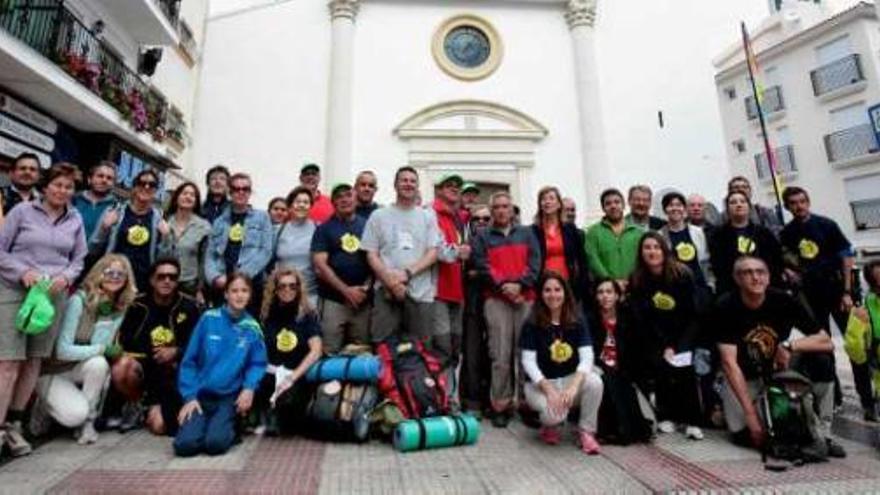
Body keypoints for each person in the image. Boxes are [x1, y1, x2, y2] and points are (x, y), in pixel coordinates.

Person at [716, 256, 845, 457]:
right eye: (747, 273)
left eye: (760, 272)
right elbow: (729, 363)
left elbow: (826, 341)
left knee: (822, 359)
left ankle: (824, 435)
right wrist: (750, 415)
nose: (755, 277)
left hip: (778, 372)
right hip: (744, 376)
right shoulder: (726, 306)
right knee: (746, 434)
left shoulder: (783, 300)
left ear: (768, 277)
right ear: (736, 278)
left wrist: (789, 345)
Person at [0, 162, 86, 457]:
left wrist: (66, 277)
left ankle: (15, 424)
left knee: (33, 360)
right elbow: (1, 250)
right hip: (16, 290)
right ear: (45, 186)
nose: (62, 191)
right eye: (57, 184)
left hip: (52, 295)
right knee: (8, 361)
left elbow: (79, 258)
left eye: (68, 186)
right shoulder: (21, 212)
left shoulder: (74, 219)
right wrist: (23, 271)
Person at [780, 186, 868, 418]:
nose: (799, 206)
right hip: (810, 296)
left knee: (855, 346)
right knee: (823, 348)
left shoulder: (826, 224)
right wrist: (789, 271)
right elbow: (784, 259)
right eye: (793, 203)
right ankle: (834, 398)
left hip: (838, 292)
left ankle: (867, 399)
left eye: (802, 201)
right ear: (787, 207)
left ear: (808, 202)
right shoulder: (787, 233)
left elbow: (846, 257)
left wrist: (847, 292)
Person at [35, 254, 136, 444]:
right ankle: (43, 404)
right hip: (55, 369)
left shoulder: (119, 306)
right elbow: (62, 350)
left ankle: (88, 423)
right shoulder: (78, 300)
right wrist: (102, 348)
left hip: (80, 368)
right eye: (109, 272)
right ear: (99, 273)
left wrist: (107, 333)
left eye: (120, 274)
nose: (114, 277)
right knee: (74, 416)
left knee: (99, 365)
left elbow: (102, 351)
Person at [174, 273, 267, 457]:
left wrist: (249, 388)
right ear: (226, 294)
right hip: (201, 395)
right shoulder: (209, 319)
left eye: (244, 291)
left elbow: (257, 363)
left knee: (215, 444)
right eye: (234, 291)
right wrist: (189, 396)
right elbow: (189, 361)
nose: (239, 295)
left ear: (250, 295)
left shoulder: (252, 327)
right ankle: (204, 427)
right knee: (185, 446)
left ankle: (231, 427)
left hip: (228, 397)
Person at [472, 191, 540, 427]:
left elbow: (535, 264)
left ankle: (526, 403)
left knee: (525, 355)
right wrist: (504, 286)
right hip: (496, 300)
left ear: (512, 210)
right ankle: (500, 404)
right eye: (497, 207)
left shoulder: (527, 233)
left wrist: (520, 285)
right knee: (500, 356)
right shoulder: (482, 237)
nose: (501, 210)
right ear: (492, 212)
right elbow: (482, 266)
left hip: (525, 299)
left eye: (505, 206)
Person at [112, 258, 201, 436]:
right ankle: (135, 404)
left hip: (175, 375)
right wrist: (153, 354)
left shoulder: (190, 307)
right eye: (161, 277)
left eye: (172, 277)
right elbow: (126, 342)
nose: (167, 281)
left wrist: (176, 351)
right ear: (152, 280)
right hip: (144, 369)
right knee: (122, 367)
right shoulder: (137, 306)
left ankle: (151, 411)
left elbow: (199, 345)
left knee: (160, 427)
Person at [629, 232, 704, 440]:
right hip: (655, 337)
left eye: (656, 247)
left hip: (684, 333)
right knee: (660, 364)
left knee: (683, 368)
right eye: (647, 248)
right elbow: (643, 318)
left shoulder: (682, 275)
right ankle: (665, 415)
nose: (652, 252)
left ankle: (693, 420)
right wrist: (664, 346)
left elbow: (692, 315)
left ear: (664, 250)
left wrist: (677, 345)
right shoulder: (637, 280)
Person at [520, 272, 604, 454]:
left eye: (557, 290)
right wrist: (549, 390)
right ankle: (549, 427)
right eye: (547, 290)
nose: (553, 295)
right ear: (541, 294)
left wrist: (574, 387)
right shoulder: (532, 322)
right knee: (555, 416)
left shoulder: (577, 319)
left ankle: (586, 432)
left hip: (568, 379)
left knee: (595, 382)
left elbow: (587, 356)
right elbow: (528, 362)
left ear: (565, 292)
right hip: (541, 384)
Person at [361, 166, 440, 343]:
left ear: (418, 186)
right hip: (386, 294)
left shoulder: (428, 217)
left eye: (412, 181)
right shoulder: (378, 216)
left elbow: (433, 252)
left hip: (420, 294)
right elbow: (371, 253)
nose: (408, 184)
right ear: (395, 185)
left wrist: (407, 273)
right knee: (384, 349)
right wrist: (390, 281)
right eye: (404, 180)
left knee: (421, 352)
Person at [255, 268, 321, 435]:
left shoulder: (307, 314)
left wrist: (292, 377)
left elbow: (316, 350)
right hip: (269, 374)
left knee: (288, 414)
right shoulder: (266, 313)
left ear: (299, 288)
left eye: (292, 286)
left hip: (295, 376)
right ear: (275, 289)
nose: (287, 290)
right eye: (282, 286)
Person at [589, 279, 652, 445]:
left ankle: (626, 429)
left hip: (623, 368)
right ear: (595, 297)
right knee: (608, 381)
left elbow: (637, 349)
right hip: (599, 368)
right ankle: (614, 429)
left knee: (623, 386)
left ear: (617, 295)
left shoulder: (628, 317)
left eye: (609, 292)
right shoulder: (590, 319)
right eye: (600, 292)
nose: (605, 296)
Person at [312, 183, 371, 354]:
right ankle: (331, 382)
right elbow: (320, 265)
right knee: (330, 349)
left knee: (362, 351)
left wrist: (364, 289)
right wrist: (346, 291)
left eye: (348, 195)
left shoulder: (368, 225)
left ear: (355, 198)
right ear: (333, 202)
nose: (344, 199)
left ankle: (358, 383)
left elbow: (376, 258)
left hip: (363, 301)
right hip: (333, 300)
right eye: (339, 197)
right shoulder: (323, 229)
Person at [91, 169, 171, 292]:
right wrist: (104, 228)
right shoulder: (114, 211)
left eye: (152, 184)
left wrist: (166, 237)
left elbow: (163, 260)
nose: (146, 187)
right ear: (134, 187)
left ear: (156, 190)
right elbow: (93, 248)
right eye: (142, 183)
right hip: (111, 280)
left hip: (141, 285)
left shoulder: (159, 220)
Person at [204, 173, 274, 306]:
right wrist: (214, 277)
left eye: (245, 189)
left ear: (250, 192)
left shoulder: (262, 218)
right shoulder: (219, 222)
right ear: (230, 192)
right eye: (236, 189)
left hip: (251, 285)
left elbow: (266, 251)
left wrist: (241, 277)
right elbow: (210, 254)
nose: (241, 192)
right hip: (223, 285)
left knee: (248, 325)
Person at [432, 174, 470, 406]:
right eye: (449, 186)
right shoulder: (430, 213)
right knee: (441, 347)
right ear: (439, 190)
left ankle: (450, 397)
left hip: (457, 292)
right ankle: (437, 397)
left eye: (457, 187)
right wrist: (457, 251)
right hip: (437, 291)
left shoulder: (459, 218)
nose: (454, 190)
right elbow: (434, 248)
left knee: (455, 348)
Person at [709, 191, 783, 295]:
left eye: (742, 201)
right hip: (733, 290)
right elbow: (718, 267)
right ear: (727, 209)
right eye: (733, 202)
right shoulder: (718, 236)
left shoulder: (763, 233)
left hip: (765, 288)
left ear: (749, 207)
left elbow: (777, 260)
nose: (738, 205)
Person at [531, 186, 590, 302]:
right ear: (540, 205)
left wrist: (583, 284)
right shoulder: (533, 231)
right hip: (544, 285)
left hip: (569, 283)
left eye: (551, 198)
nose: (547, 202)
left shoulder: (570, 229)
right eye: (543, 199)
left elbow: (581, 259)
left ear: (559, 204)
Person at [461, 205, 492, 416]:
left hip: (496, 302)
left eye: (485, 218)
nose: (481, 222)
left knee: (494, 354)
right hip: (471, 304)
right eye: (476, 219)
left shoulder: (499, 241)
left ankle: (491, 399)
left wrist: (478, 272)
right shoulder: (464, 244)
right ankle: (471, 401)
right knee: (471, 352)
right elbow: (464, 273)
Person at [585, 188, 642, 288]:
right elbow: (593, 259)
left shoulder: (637, 232)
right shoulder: (593, 232)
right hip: (605, 289)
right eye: (608, 203)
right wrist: (611, 282)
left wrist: (631, 280)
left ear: (623, 205)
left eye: (617, 202)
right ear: (603, 208)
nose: (613, 206)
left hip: (634, 285)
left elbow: (641, 259)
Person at [166, 182, 212, 301]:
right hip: (163, 280)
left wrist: (200, 289)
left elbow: (204, 260)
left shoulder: (204, 227)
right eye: (184, 193)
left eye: (192, 195)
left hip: (188, 284)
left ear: (196, 201)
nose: (188, 197)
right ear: (176, 197)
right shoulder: (164, 221)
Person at [274, 187, 318, 306]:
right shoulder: (278, 230)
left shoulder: (318, 229)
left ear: (311, 206)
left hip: (310, 295)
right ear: (290, 205)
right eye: (298, 202)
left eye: (306, 202)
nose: (302, 205)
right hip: (283, 294)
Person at [659, 192, 712, 290]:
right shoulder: (660, 235)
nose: (675, 208)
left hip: (699, 286)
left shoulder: (698, 232)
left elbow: (705, 260)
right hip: (673, 287)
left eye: (679, 205)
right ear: (665, 210)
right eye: (670, 205)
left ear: (684, 208)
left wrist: (710, 284)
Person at [72, 161, 118, 242]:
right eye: (100, 176)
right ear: (89, 179)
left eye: (109, 178)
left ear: (113, 184)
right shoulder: (73, 199)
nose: (104, 180)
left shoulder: (117, 208)